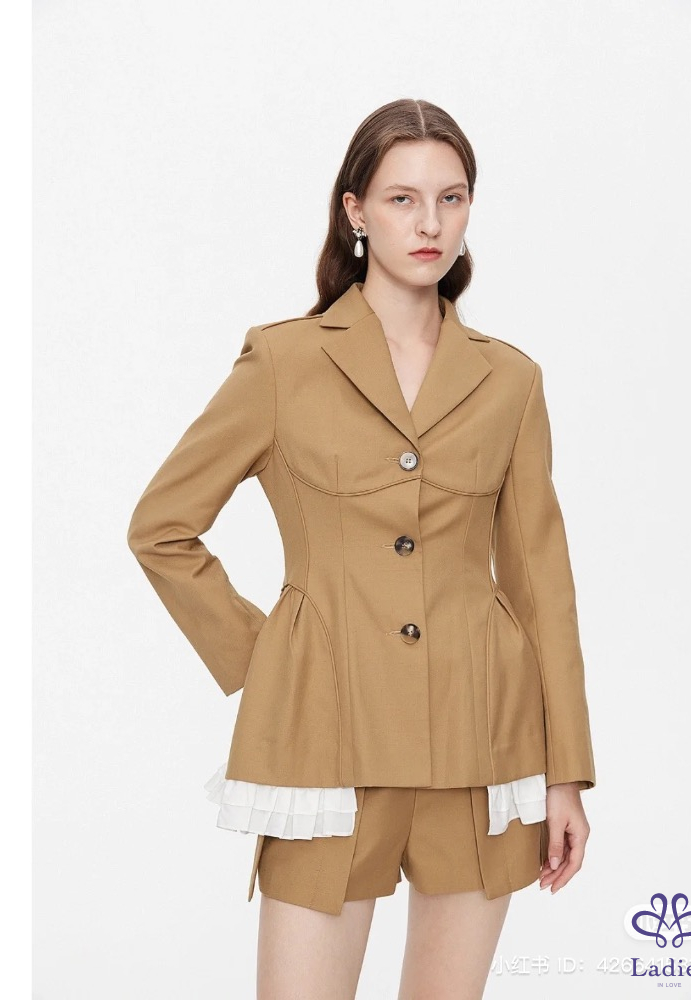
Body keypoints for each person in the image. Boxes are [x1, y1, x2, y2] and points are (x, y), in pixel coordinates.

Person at [127, 98, 595, 1000]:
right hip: (323, 740)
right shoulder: (283, 362)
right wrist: (267, 659)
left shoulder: (510, 379)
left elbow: (543, 582)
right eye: (402, 199)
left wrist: (566, 774)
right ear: (355, 211)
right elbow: (161, 528)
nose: (430, 224)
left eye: (451, 198)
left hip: (482, 739)